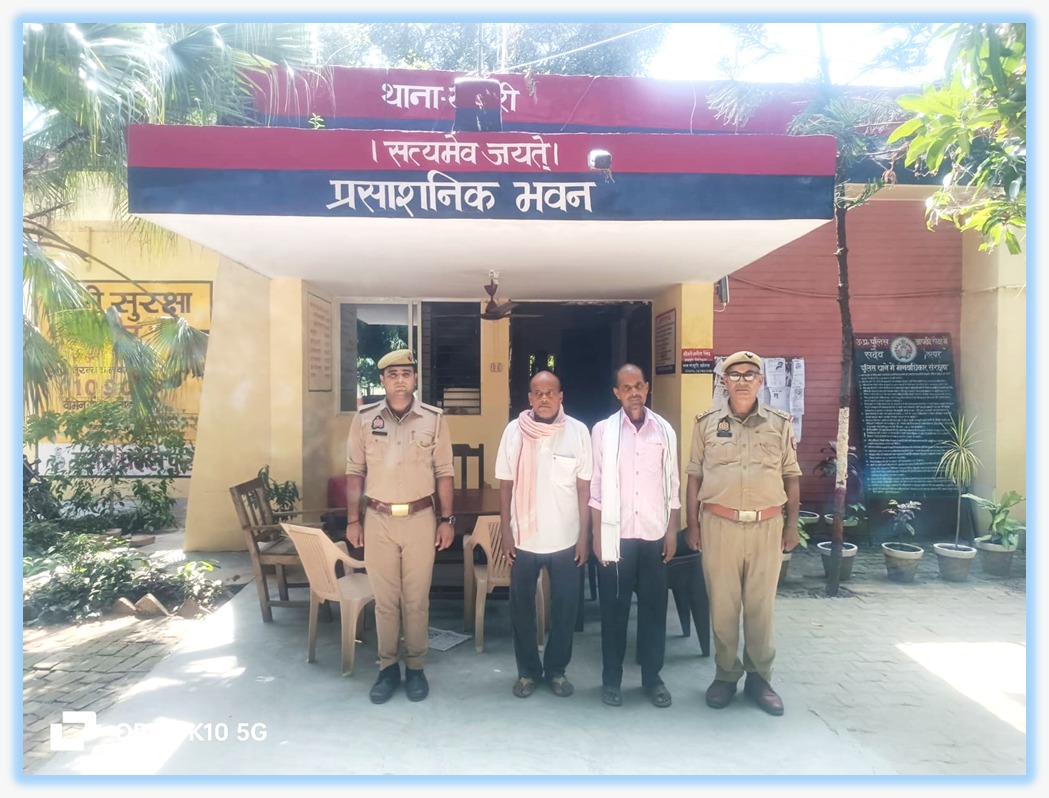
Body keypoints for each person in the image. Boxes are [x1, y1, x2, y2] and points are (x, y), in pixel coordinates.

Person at [684, 350, 801, 716]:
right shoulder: (706, 423)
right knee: (723, 606)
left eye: (751, 374)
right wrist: (692, 524)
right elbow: (694, 476)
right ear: (725, 382)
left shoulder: (779, 423)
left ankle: (759, 678)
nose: (743, 380)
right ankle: (725, 675)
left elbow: (791, 476)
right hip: (719, 526)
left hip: (767, 526)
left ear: (761, 381)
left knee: (761, 608)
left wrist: (792, 525)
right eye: (734, 374)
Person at [344, 348, 455, 704]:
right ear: (382, 380)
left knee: (416, 600)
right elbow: (355, 471)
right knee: (386, 602)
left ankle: (416, 667)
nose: (400, 381)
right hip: (377, 520)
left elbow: (444, 472)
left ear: (415, 378)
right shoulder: (364, 419)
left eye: (406, 374)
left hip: (421, 519)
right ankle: (388, 667)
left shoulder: (434, 419)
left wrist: (446, 520)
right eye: (392, 375)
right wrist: (353, 520)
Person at [495, 370, 592, 699]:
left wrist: (584, 537)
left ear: (561, 397)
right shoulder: (514, 432)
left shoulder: (578, 432)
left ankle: (556, 671)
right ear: (530, 398)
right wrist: (506, 532)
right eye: (538, 393)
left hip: (566, 538)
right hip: (523, 538)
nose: (545, 398)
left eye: (551, 392)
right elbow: (505, 485)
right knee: (521, 609)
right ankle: (527, 672)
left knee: (565, 609)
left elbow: (584, 489)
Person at [589, 364, 680, 709]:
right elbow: (596, 486)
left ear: (647, 387)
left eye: (638, 385)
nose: (634, 393)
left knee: (654, 611)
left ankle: (652, 678)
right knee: (614, 612)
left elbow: (673, 485)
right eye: (626, 388)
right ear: (617, 393)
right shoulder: (603, 431)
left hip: (654, 535)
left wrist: (672, 531)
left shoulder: (665, 431)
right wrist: (597, 534)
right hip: (617, 536)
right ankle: (611, 680)